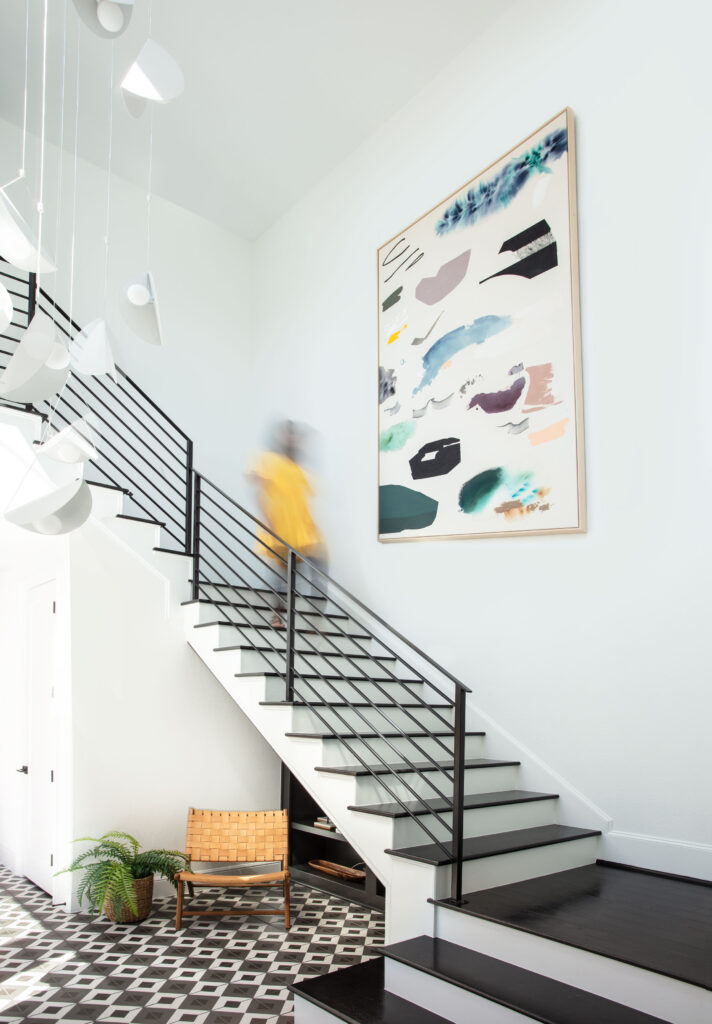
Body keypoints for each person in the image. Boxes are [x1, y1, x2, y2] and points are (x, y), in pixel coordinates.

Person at [246, 420, 328, 628]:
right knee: (283, 576)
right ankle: (277, 617)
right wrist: (267, 521)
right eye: (288, 435)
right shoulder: (268, 459)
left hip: (303, 532)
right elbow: (257, 488)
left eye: (295, 436)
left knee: (318, 570)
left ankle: (316, 621)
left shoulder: (299, 469)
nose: (293, 440)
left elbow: (305, 499)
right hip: (280, 530)